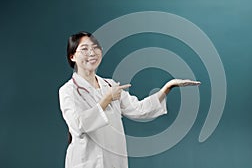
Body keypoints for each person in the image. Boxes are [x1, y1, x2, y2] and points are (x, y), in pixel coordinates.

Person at [59, 31, 200, 168]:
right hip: (87, 161)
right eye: (84, 49)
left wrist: (168, 87)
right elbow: (78, 125)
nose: (92, 53)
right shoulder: (68, 90)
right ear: (72, 56)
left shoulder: (110, 85)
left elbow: (139, 109)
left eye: (96, 47)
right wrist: (107, 99)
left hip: (114, 160)